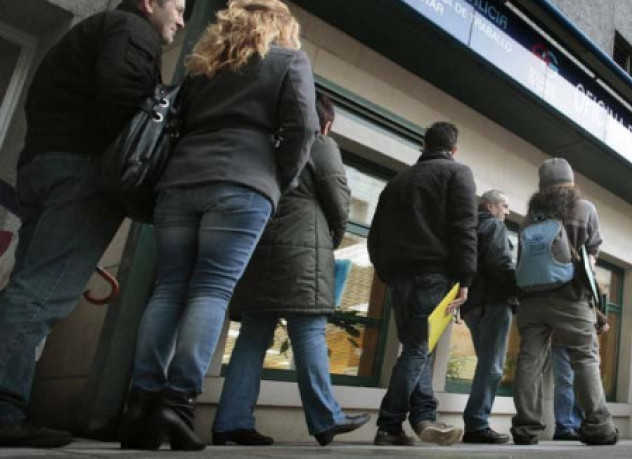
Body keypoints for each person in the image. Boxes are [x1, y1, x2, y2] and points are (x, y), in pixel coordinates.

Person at [120, 0, 318, 451]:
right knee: (212, 288)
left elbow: (176, 123)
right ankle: (178, 401)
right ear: (280, 27)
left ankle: (140, 403)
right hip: (244, 184)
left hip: (179, 182)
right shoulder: (289, 60)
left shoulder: (201, 67)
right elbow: (303, 127)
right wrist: (279, 180)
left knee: (168, 288)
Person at [0, 0, 185, 448]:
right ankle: (4, 407)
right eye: (176, 8)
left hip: (43, 166)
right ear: (149, 4)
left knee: (26, 285)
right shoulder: (131, 31)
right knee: (41, 295)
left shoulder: (90, 34)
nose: (180, 19)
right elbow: (122, 99)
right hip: (82, 174)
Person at [211, 94, 370, 447]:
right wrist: (332, 238)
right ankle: (326, 418)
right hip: (302, 251)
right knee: (309, 329)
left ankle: (230, 423)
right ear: (325, 122)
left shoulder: (266, 142)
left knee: (252, 337)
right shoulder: (319, 141)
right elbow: (338, 198)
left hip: (257, 246)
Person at [367, 122, 476, 446]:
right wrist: (466, 278)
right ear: (453, 149)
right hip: (433, 276)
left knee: (418, 348)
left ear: (423, 145)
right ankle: (389, 425)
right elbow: (464, 228)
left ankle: (424, 416)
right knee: (417, 348)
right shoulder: (458, 174)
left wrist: (387, 273)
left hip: (399, 278)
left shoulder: (396, 183)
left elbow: (375, 235)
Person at [511, 158, 618, 446]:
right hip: (570, 298)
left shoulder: (530, 216)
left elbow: (521, 259)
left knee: (529, 361)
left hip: (532, 299)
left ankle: (525, 428)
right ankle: (597, 426)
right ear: (571, 183)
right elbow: (592, 253)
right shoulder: (585, 209)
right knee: (584, 357)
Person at [459, 190, 516, 444]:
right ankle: (477, 424)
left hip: (471, 305)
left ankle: (476, 422)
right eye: (504, 205)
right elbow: (500, 263)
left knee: (486, 364)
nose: (508, 211)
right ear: (491, 205)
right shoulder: (493, 225)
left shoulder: (468, 225)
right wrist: (521, 288)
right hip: (493, 302)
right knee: (492, 366)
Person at [552, 314, 611, 441]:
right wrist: (601, 322)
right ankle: (566, 427)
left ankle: (571, 425)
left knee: (569, 383)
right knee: (567, 383)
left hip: (566, 339)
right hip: (570, 340)